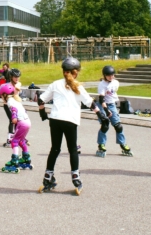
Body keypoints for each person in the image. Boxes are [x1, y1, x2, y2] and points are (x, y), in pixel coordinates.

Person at [37, 57, 107, 195]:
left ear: (64, 71)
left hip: (55, 120)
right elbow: (90, 103)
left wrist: (42, 114)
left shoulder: (55, 84)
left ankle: (47, 177)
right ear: (75, 73)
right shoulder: (78, 87)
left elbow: (40, 99)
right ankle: (76, 179)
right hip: (70, 121)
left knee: (55, 149)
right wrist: (101, 116)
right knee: (72, 150)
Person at [96, 65, 133, 157]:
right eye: (109, 75)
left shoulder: (116, 82)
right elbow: (101, 99)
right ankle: (101, 144)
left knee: (118, 126)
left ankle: (123, 144)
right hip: (102, 105)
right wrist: (106, 110)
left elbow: (113, 95)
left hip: (112, 104)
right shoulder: (102, 84)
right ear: (104, 75)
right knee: (105, 125)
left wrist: (111, 108)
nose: (111, 77)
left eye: (112, 75)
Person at [0, 83, 32, 173]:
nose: (1, 98)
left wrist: (14, 117)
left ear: (5, 95)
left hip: (22, 123)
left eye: (1, 96)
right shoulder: (16, 99)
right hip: (27, 122)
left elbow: (14, 109)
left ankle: (15, 161)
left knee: (14, 141)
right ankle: (26, 158)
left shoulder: (10, 101)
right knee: (21, 141)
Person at [1, 68, 27, 147]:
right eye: (15, 77)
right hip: (8, 105)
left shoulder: (18, 84)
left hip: (16, 105)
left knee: (19, 121)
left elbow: (17, 93)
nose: (17, 78)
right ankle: (9, 140)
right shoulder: (7, 85)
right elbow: (2, 94)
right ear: (11, 77)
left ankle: (19, 138)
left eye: (18, 77)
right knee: (12, 121)